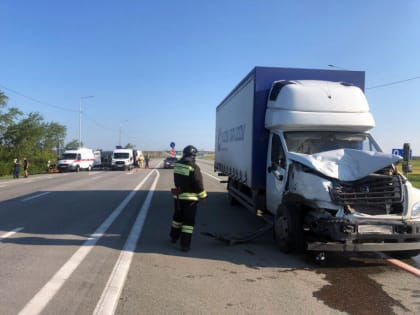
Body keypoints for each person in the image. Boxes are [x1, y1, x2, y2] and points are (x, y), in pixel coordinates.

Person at [170, 145, 207, 252]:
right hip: (190, 199)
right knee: (188, 223)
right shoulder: (193, 167)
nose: (194, 158)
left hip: (178, 197)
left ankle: (173, 237)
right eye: (194, 156)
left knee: (177, 218)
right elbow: (198, 183)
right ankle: (185, 245)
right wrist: (203, 196)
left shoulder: (177, 165)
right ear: (191, 156)